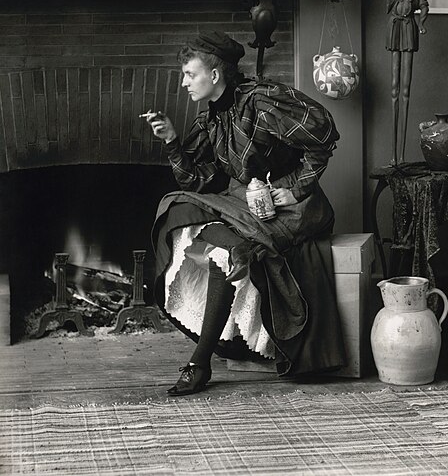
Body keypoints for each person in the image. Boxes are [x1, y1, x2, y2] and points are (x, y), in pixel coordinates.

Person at [146, 31, 345, 396]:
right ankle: (239, 248)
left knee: (221, 257)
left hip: (291, 209)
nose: (184, 82)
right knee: (179, 206)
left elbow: (324, 133)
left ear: (214, 75)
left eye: (190, 74)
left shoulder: (261, 101)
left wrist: (295, 187)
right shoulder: (211, 120)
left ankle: (199, 365)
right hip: (247, 201)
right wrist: (172, 140)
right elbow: (196, 180)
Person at [386, 0, 429, 165]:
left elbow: (425, 6)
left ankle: (401, 156)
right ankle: (394, 156)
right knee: (394, 88)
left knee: (406, 89)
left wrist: (421, 23)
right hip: (395, 30)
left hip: (409, 29)